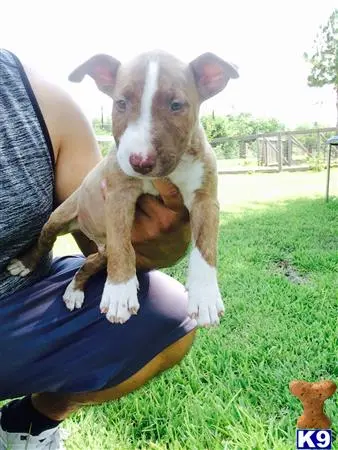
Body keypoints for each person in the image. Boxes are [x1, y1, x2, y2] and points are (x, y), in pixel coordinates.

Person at [0, 48, 196, 449]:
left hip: (17, 305)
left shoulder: (43, 102)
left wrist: (167, 240)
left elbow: (103, 239)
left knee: (168, 313)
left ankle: (27, 423)